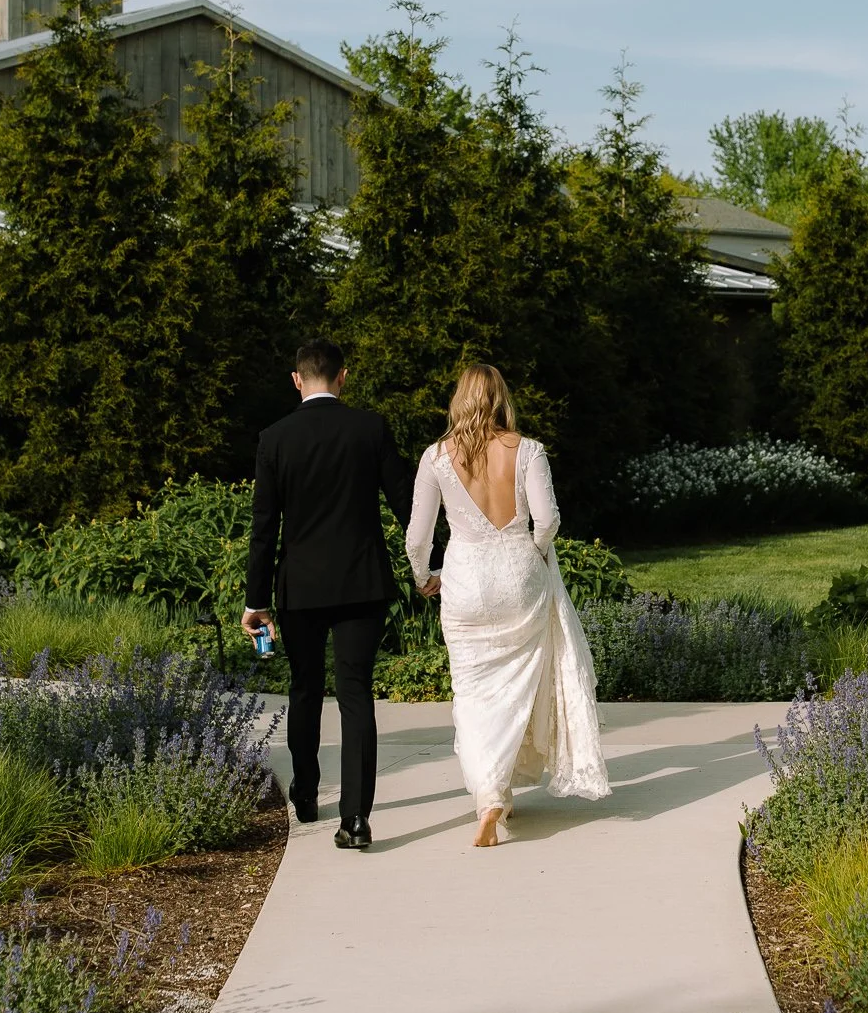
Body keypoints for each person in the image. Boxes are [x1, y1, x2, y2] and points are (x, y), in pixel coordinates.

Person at [404, 363, 609, 846]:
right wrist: (532, 555)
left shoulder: (436, 457)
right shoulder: (529, 451)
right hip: (520, 577)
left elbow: (418, 538)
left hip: (466, 581)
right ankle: (498, 790)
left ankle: (491, 794)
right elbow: (549, 519)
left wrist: (422, 577)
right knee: (518, 688)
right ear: (501, 398)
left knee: (472, 692)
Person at [243, 338, 413, 851]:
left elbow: (263, 527)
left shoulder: (275, 438)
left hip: (302, 589)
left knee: (305, 687)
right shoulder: (370, 428)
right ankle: (356, 818)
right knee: (356, 692)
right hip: (363, 583)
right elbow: (408, 502)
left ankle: (308, 790)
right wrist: (430, 565)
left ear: (297, 380)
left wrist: (256, 600)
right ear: (344, 376)